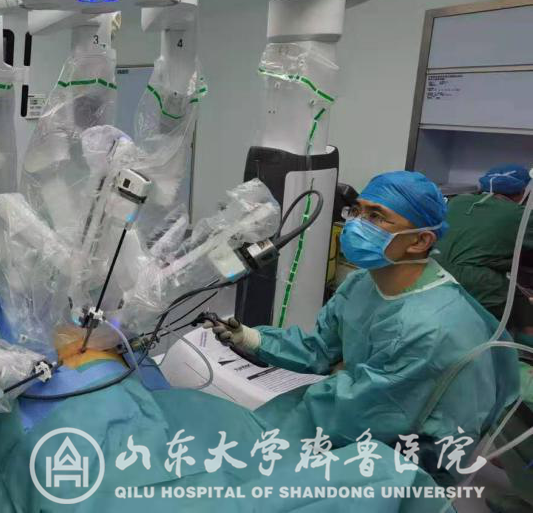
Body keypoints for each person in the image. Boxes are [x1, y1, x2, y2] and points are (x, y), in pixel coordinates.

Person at [212, 171, 518, 462]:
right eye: (356, 211)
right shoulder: (362, 284)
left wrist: (340, 378)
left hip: (411, 453)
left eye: (376, 216)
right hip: (362, 413)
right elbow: (321, 348)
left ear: (419, 241)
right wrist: (250, 337)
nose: (356, 224)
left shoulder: (431, 326)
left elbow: (364, 411)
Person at [433, 163, 532, 338]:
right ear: (522, 192)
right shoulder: (520, 215)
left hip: (436, 274)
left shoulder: (457, 202)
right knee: (518, 310)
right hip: (478, 284)